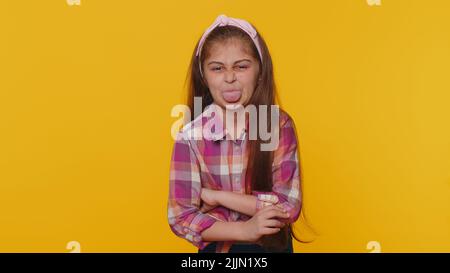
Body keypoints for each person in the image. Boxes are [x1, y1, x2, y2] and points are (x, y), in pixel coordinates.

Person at [167, 14, 302, 253]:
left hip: (272, 249)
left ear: (260, 71)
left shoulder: (278, 125)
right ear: (204, 75)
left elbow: (288, 206)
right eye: (217, 68)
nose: (230, 78)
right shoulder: (190, 136)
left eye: (241, 66)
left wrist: (217, 197)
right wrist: (244, 230)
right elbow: (181, 217)